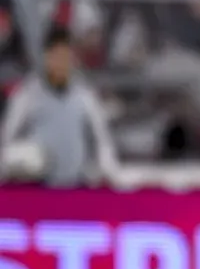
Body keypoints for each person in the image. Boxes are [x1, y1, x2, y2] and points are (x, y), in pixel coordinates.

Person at [0, 27, 119, 186]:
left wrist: (109, 174)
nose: (61, 64)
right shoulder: (27, 94)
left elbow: (102, 141)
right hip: (37, 191)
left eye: (65, 57)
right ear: (46, 58)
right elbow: (6, 137)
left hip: (75, 187)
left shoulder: (84, 96)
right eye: (56, 57)